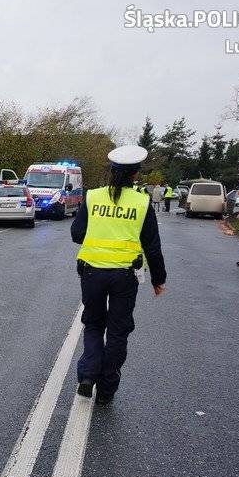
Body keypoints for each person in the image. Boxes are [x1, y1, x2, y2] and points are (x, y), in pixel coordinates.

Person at [70, 145, 167, 404]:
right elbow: (152, 245)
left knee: (93, 324)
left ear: (111, 171)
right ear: (135, 175)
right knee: (117, 331)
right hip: (125, 275)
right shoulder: (142, 201)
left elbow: (76, 234)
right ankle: (106, 390)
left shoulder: (92, 197)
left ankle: (87, 376)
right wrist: (158, 279)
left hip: (91, 272)